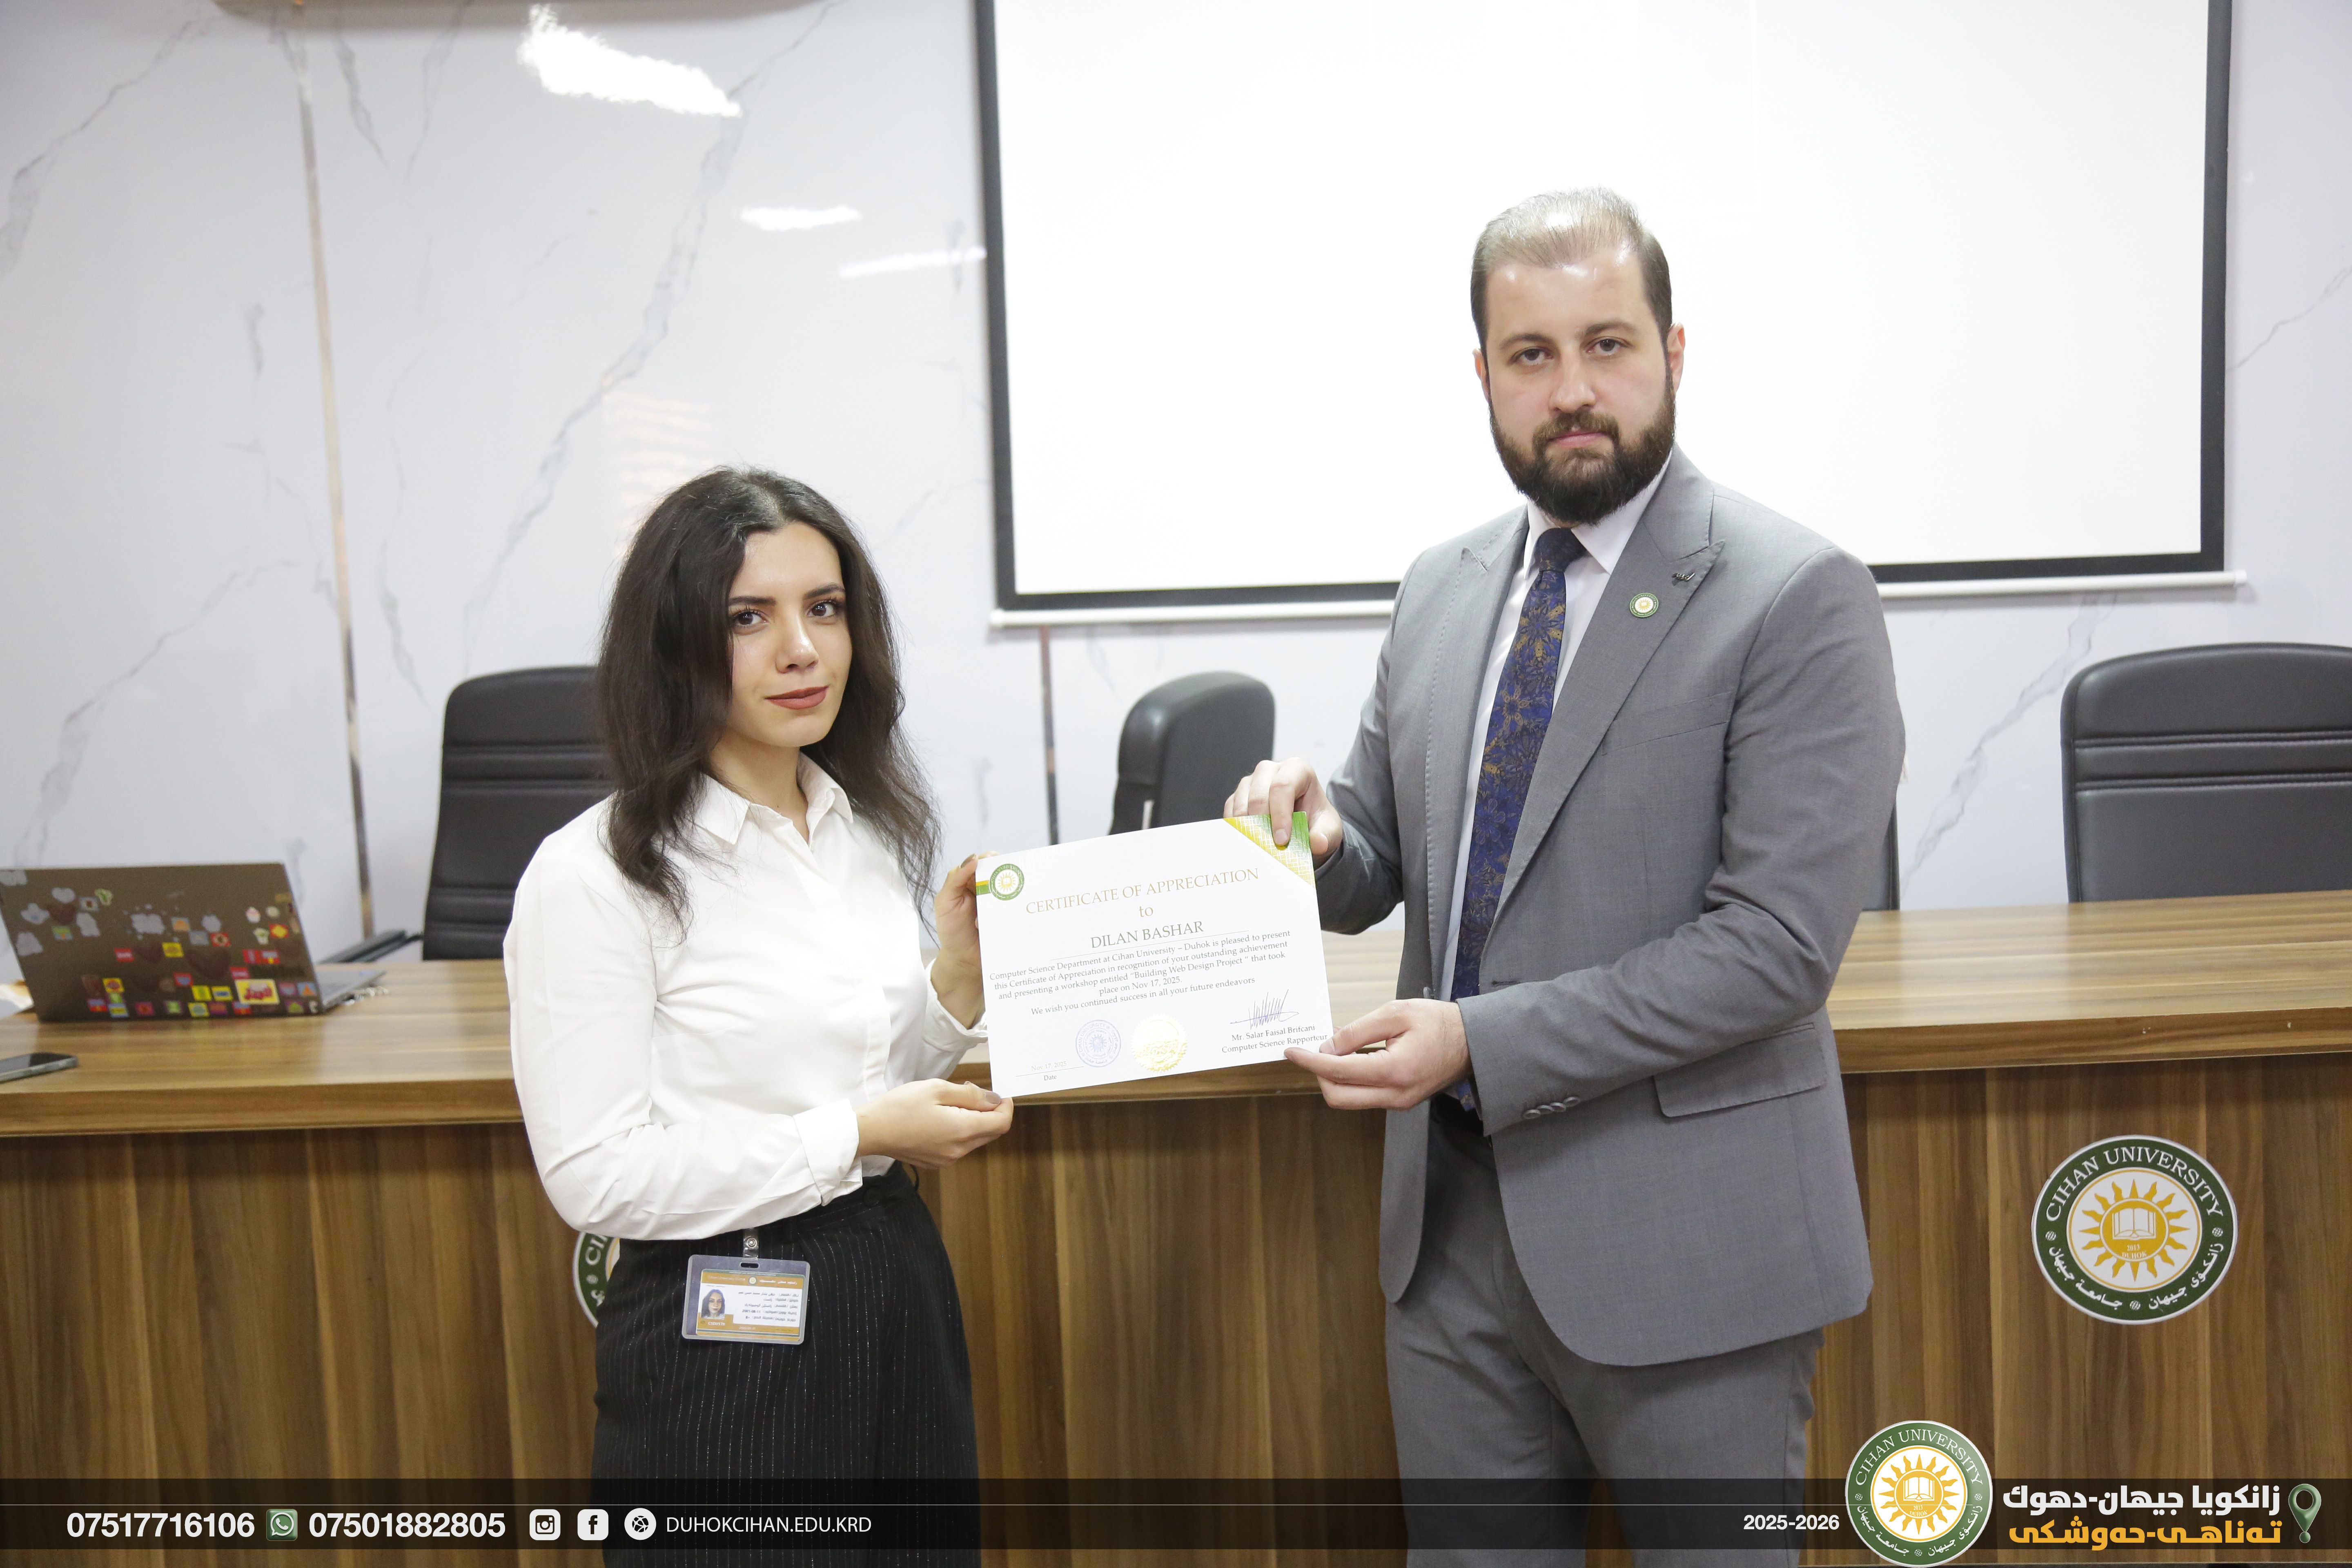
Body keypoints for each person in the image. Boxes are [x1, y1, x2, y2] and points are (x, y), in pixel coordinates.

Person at [1228, 189, 1902, 1565]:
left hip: (1687, 1249)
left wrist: (1478, 1041)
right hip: (1450, 1244)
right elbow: (1385, 860)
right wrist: (1316, 837)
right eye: (1532, 355)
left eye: (1609, 344)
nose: (1574, 390)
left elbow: (1775, 950)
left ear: (1674, 352)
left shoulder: (1795, 593)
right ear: (1482, 373)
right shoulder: (1443, 585)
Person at [506, 468, 1013, 1534]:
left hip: (894, 1268)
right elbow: (597, 1175)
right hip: (722, 1314)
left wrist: (956, 980)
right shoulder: (594, 873)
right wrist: (860, 1134)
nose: (802, 649)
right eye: (750, 618)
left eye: (824, 609)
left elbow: (865, 1079)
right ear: (674, 642)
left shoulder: (857, 827)